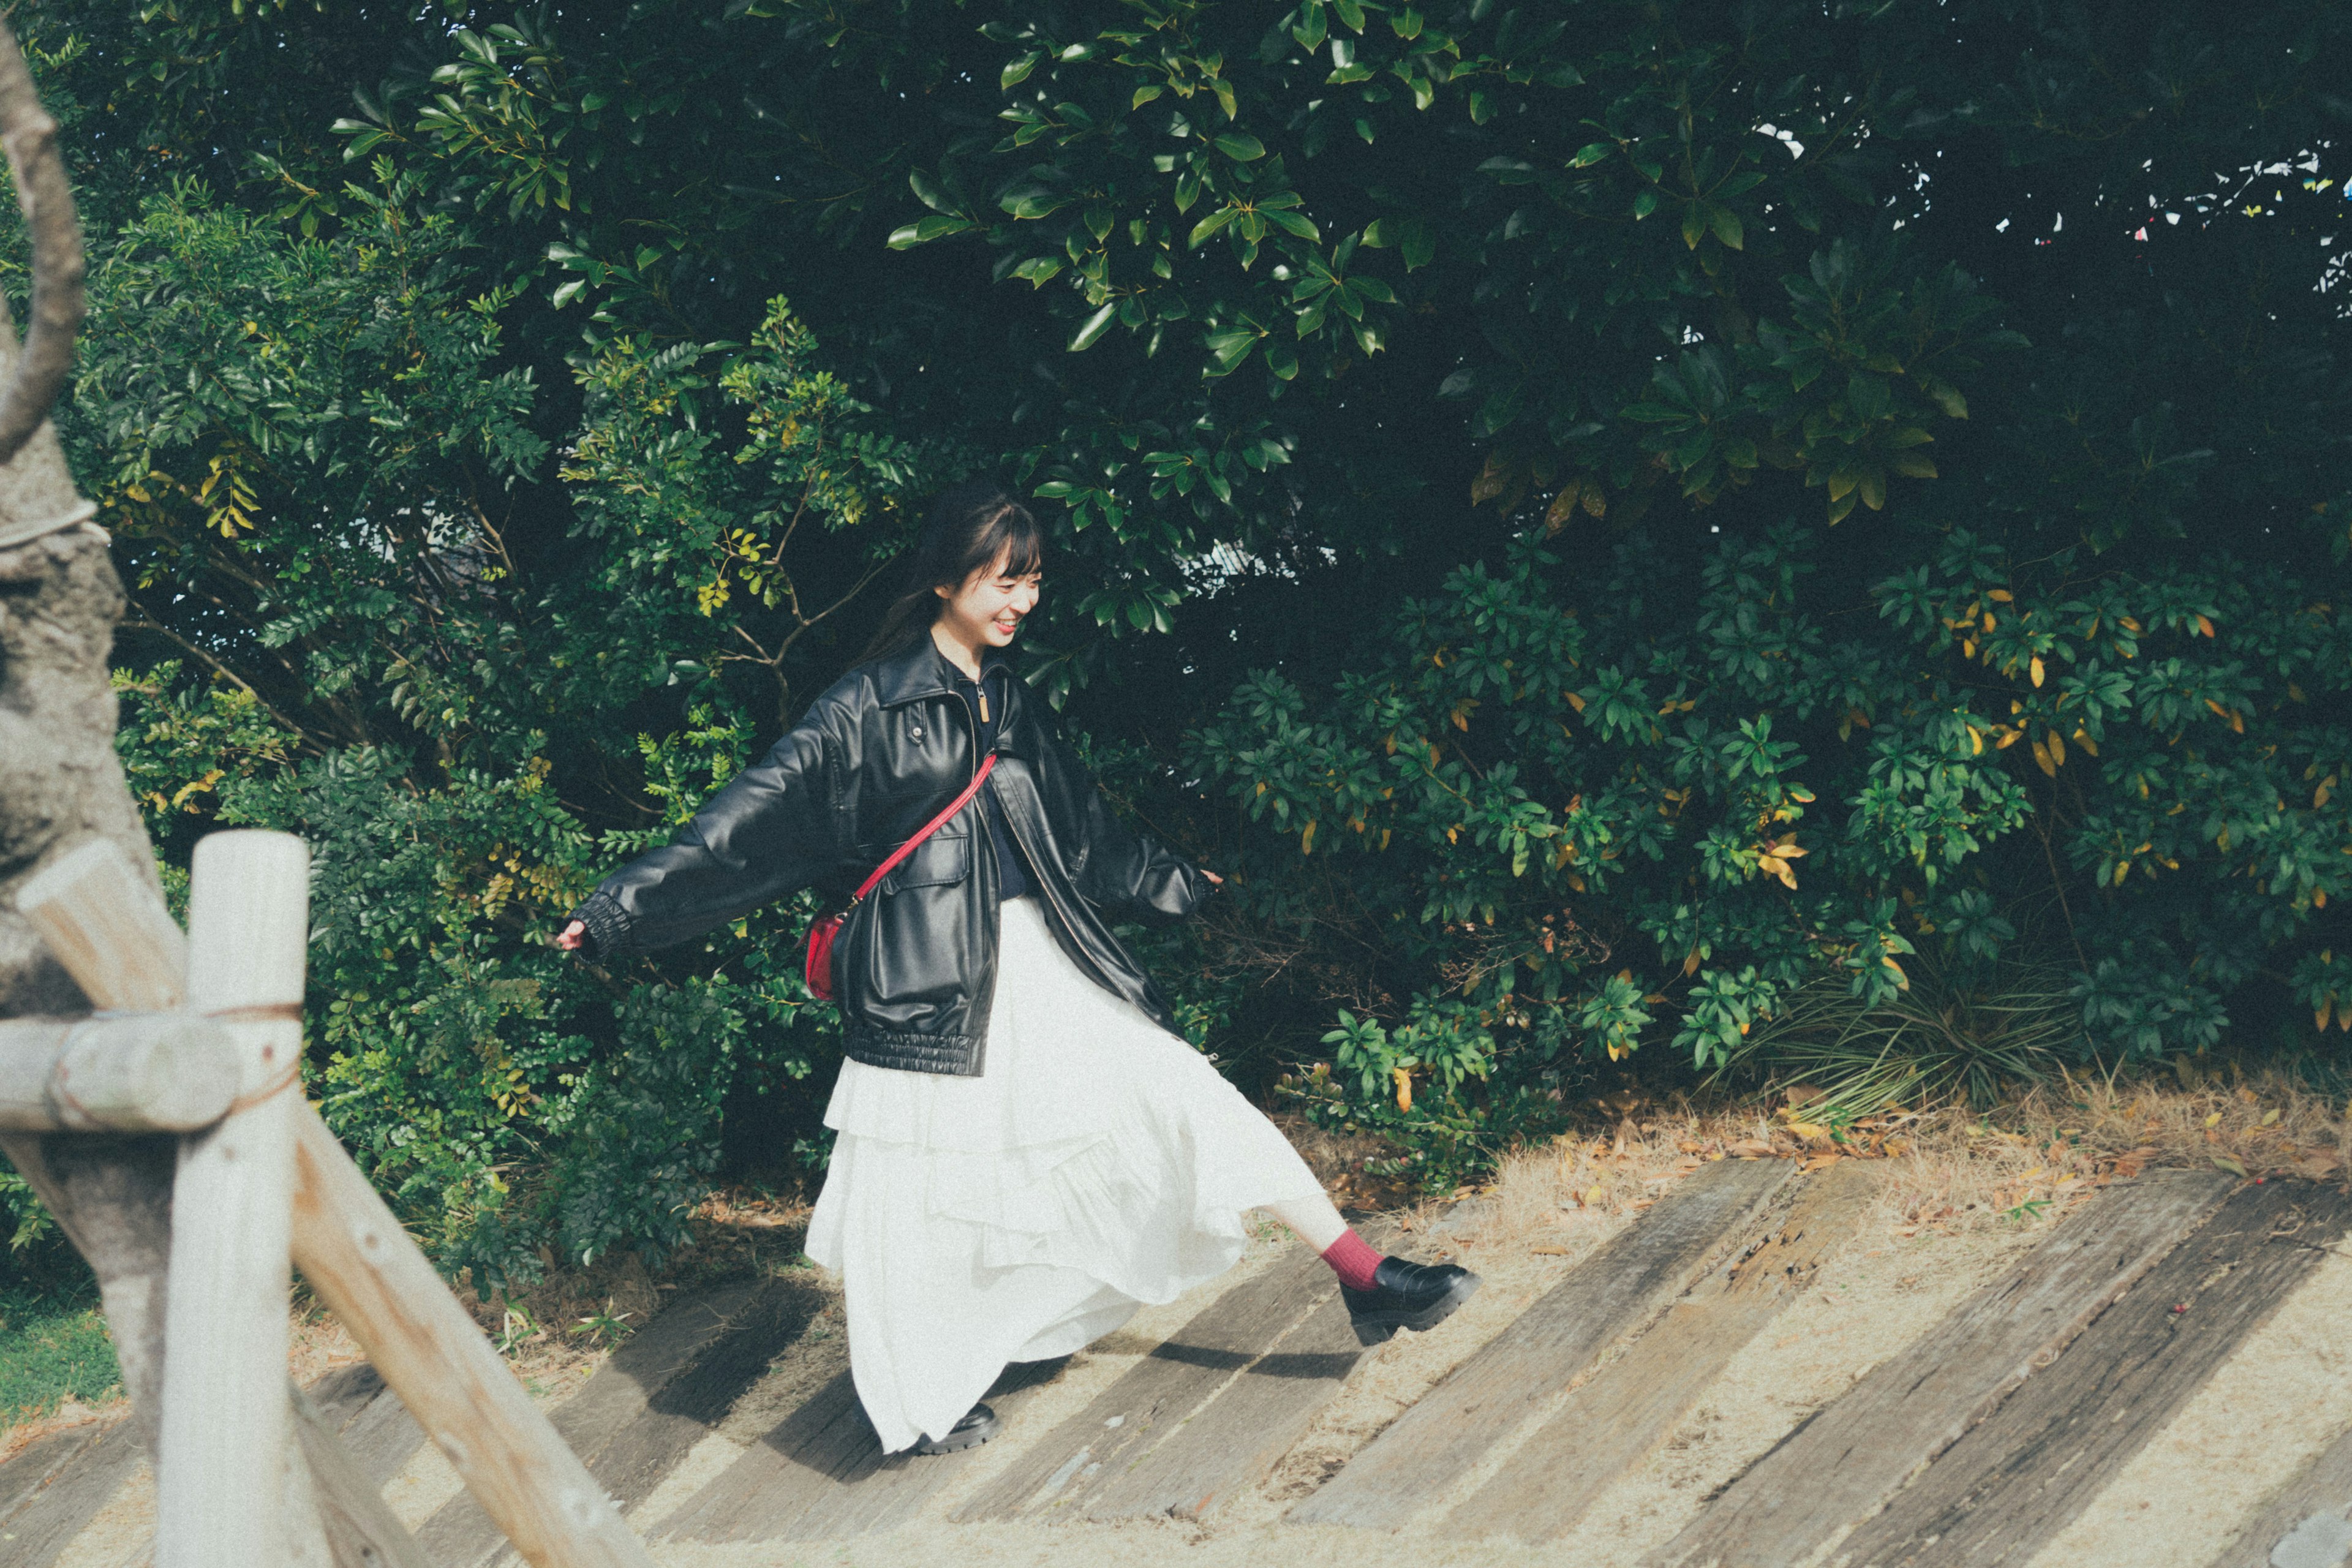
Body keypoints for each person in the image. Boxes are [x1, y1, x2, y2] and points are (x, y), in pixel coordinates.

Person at [556, 481, 1479, 1456]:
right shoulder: (862, 709)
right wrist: (620, 909)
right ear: (948, 579)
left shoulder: (1009, 699)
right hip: (927, 987)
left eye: (1032, 582)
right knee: (919, 1205)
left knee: (1182, 1092)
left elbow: (1081, 827)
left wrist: (1177, 879)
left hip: (1038, 963)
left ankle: (1364, 1273)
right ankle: (918, 1408)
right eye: (1006, 580)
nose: (1023, 602)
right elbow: (741, 822)